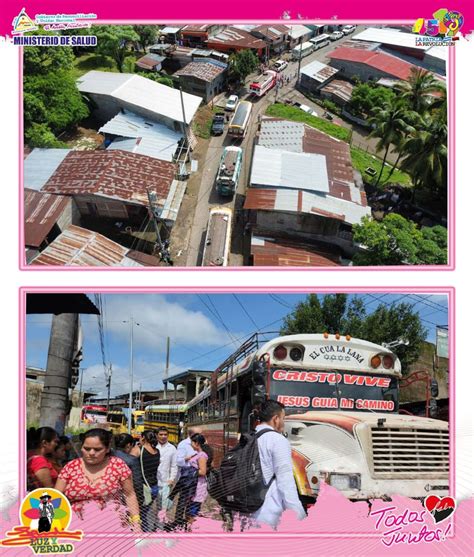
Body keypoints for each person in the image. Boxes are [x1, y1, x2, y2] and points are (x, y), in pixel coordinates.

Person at [55, 428, 141, 532]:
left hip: (111, 527)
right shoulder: (71, 467)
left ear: (107, 449)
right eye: (86, 449)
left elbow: (130, 495)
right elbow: (56, 497)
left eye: (97, 449)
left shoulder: (118, 466)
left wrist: (136, 524)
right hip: (75, 528)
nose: (91, 453)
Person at [251, 399, 306, 529]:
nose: (283, 422)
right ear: (276, 419)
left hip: (248, 509)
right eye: (283, 418)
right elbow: (285, 480)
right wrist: (299, 514)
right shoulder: (278, 440)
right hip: (269, 512)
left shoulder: (251, 437)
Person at [171, 426, 202, 528]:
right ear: (191, 435)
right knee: (183, 499)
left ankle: (189, 520)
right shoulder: (183, 444)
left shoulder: (199, 443)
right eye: (199, 434)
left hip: (196, 476)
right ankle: (178, 521)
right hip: (186, 476)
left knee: (193, 498)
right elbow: (179, 461)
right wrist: (188, 459)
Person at [138, 430, 160, 532]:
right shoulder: (157, 451)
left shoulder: (141, 450)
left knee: (140, 514)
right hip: (155, 486)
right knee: (145, 512)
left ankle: (144, 533)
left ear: (143, 438)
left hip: (145, 487)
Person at [114, 433, 143, 507]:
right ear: (128, 445)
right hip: (125, 498)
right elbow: (137, 482)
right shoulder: (131, 460)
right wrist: (140, 498)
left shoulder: (107, 456)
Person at [185, 433, 209, 525]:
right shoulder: (197, 454)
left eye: (192, 442)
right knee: (190, 509)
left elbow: (203, 471)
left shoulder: (202, 455)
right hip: (193, 485)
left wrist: (190, 472)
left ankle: (191, 529)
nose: (191, 444)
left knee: (193, 510)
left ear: (196, 443)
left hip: (198, 486)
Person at [155, 427, 177, 522]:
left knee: (164, 506)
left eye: (165, 435)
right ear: (157, 435)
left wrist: (172, 478)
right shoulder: (153, 446)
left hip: (165, 481)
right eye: (161, 434)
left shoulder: (172, 448)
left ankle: (161, 525)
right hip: (153, 481)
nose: (163, 436)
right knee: (153, 505)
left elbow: (174, 465)